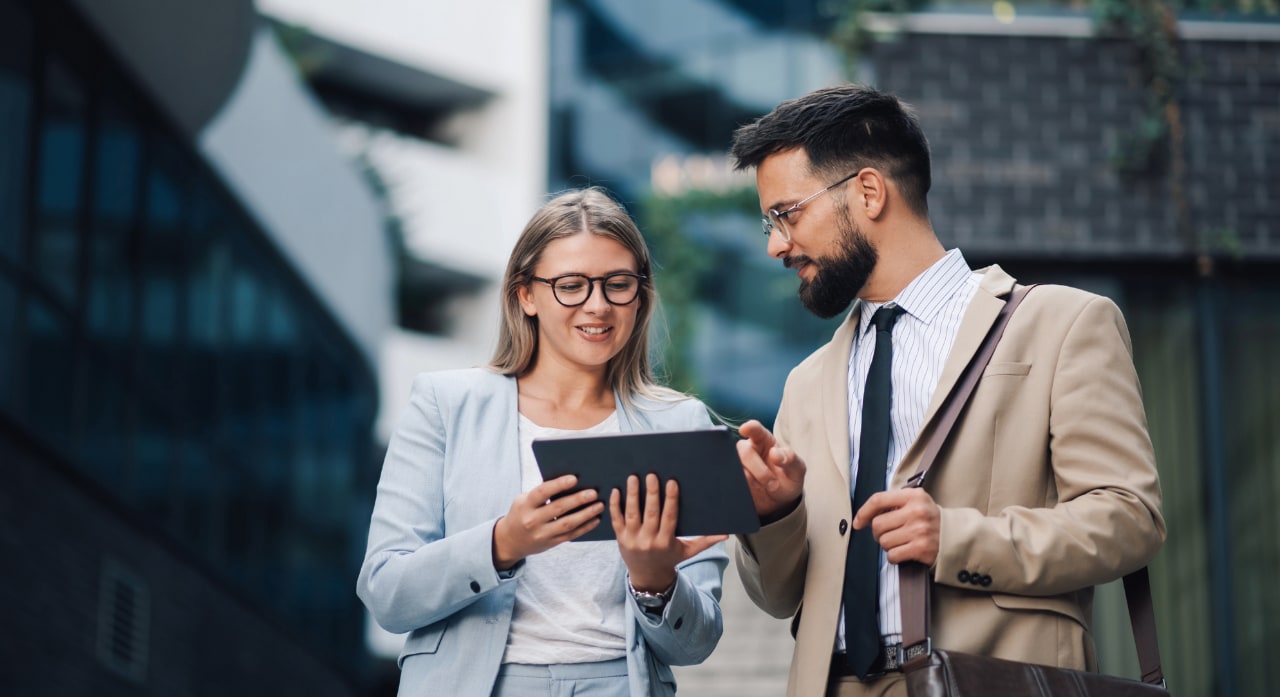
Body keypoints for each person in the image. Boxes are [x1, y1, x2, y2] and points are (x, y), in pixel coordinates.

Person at [728, 84, 1166, 697]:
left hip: (993, 677)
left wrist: (957, 538)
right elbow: (778, 597)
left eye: (787, 214)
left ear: (869, 192)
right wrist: (774, 514)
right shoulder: (806, 383)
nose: (776, 244)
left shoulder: (1063, 324)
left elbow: (1130, 518)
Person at [357, 187, 728, 697]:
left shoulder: (681, 423)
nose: (598, 306)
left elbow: (696, 645)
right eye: (571, 285)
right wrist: (502, 543)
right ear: (525, 295)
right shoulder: (445, 405)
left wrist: (653, 580)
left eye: (618, 284)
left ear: (640, 295)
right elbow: (385, 591)